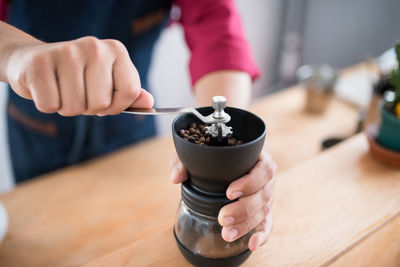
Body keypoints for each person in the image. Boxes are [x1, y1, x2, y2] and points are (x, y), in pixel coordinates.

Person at [0, 0, 276, 251]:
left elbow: (215, 22)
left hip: (132, 128)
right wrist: (17, 53)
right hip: (38, 131)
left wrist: (234, 151)